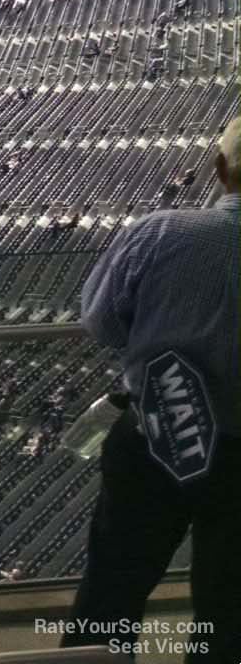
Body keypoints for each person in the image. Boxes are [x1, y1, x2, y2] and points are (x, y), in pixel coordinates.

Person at [63, 117, 238, 662]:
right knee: (231, 611)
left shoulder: (160, 230)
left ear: (219, 168)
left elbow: (104, 325)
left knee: (110, 591)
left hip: (156, 437)